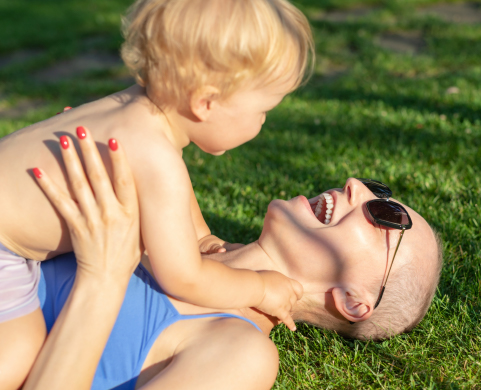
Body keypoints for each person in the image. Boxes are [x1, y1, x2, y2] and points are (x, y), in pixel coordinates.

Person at [0, 1, 313, 385]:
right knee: (17, 353)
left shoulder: (124, 106)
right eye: (264, 110)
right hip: (4, 246)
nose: (263, 122)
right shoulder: (158, 160)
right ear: (206, 102)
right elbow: (185, 277)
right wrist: (261, 287)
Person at [21, 132, 441, 389]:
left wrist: (104, 276)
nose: (355, 186)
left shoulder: (241, 353)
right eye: (376, 191)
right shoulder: (192, 241)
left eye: (385, 217)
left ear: (353, 300)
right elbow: (152, 133)